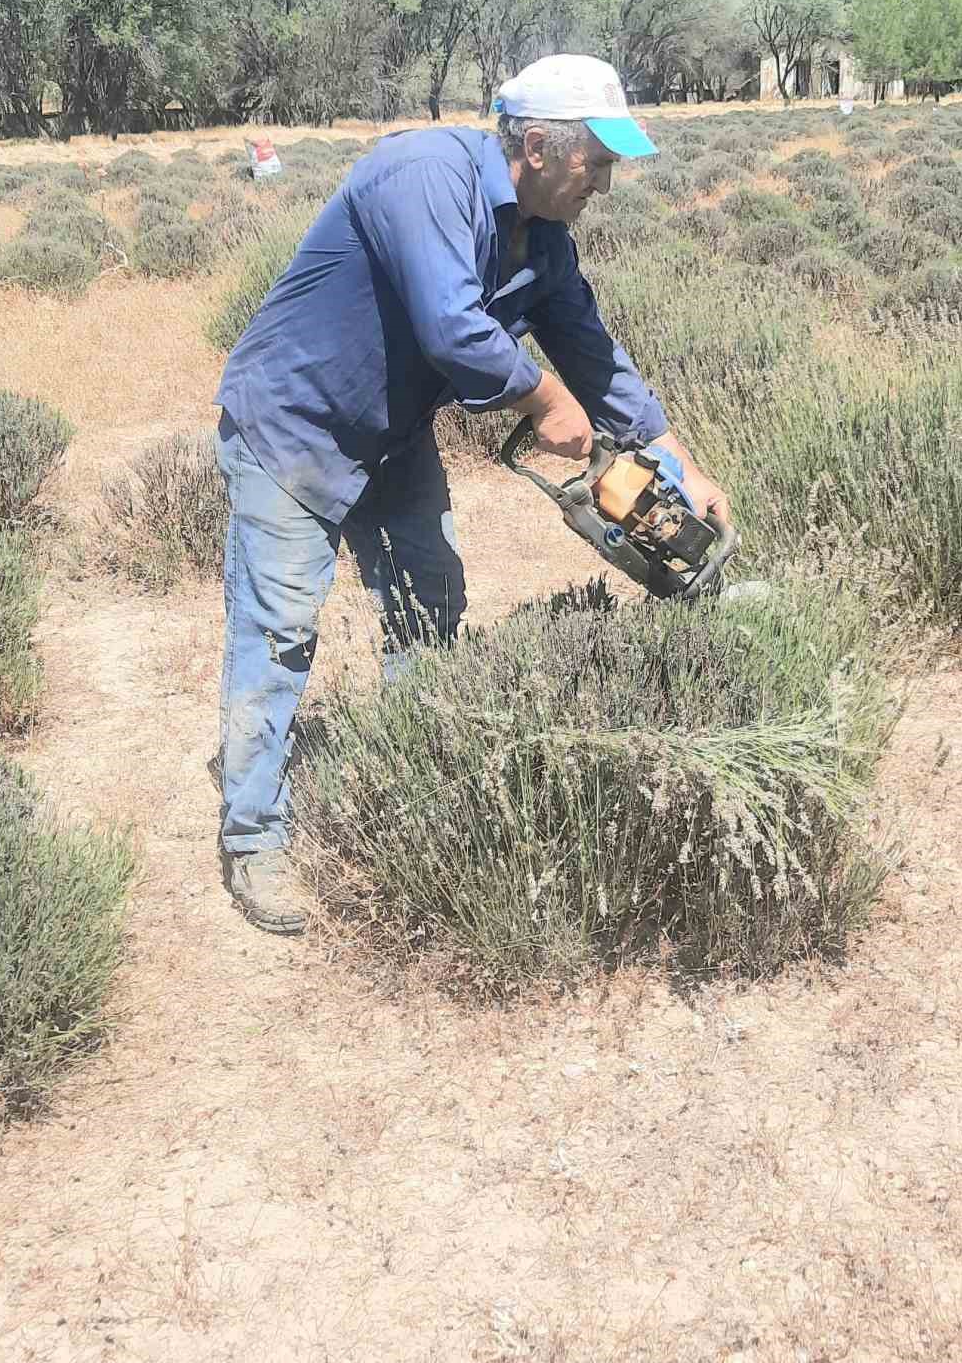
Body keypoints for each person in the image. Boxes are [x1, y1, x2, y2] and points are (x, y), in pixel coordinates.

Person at [214, 54, 732, 934]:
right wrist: (543, 399)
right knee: (280, 630)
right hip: (294, 425)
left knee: (430, 602)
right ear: (537, 145)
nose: (603, 186)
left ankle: (412, 779)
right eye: (596, 164)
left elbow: (592, 350)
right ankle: (254, 838)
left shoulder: (544, 238)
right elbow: (452, 325)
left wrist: (678, 457)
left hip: (391, 433)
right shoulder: (421, 173)